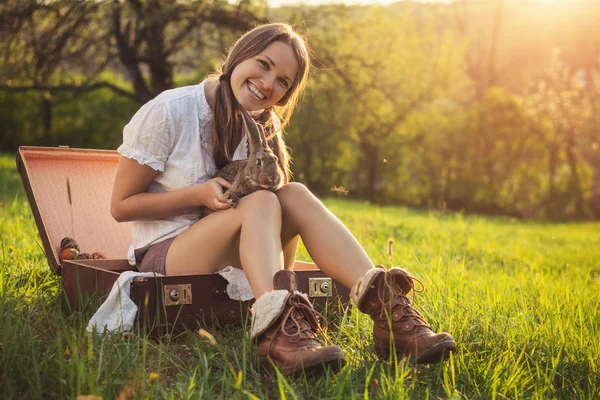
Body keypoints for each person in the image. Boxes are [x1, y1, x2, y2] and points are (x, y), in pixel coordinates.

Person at [110, 22, 456, 376]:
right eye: (264, 64)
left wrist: (285, 275)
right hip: (167, 256)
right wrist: (197, 194)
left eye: (282, 82)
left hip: (232, 252)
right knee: (261, 201)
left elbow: (276, 225)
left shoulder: (261, 126)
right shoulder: (170, 111)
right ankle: (276, 330)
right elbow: (121, 206)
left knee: (293, 193)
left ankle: (387, 310)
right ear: (240, 54)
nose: (268, 83)